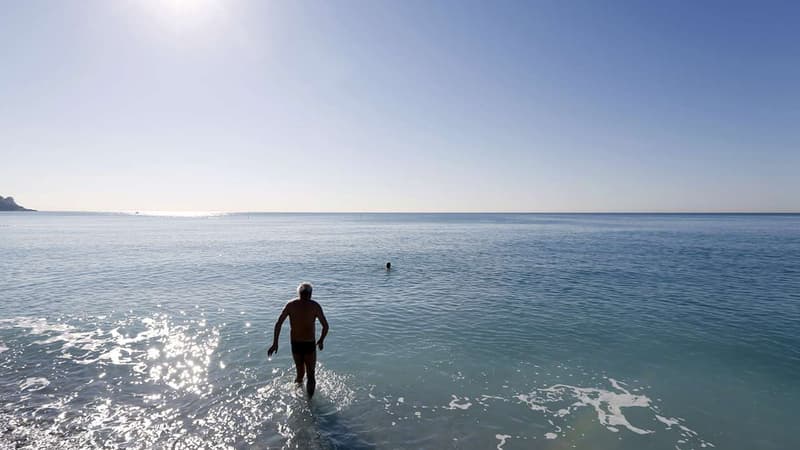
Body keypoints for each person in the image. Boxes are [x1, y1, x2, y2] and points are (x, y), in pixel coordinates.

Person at [267, 282, 329, 397]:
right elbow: (325, 326)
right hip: (309, 344)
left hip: (295, 344)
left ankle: (297, 397)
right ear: (311, 294)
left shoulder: (291, 305)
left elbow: (278, 323)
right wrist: (321, 340)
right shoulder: (315, 306)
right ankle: (310, 404)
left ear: (299, 293)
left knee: (300, 374)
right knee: (311, 375)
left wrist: (275, 343)